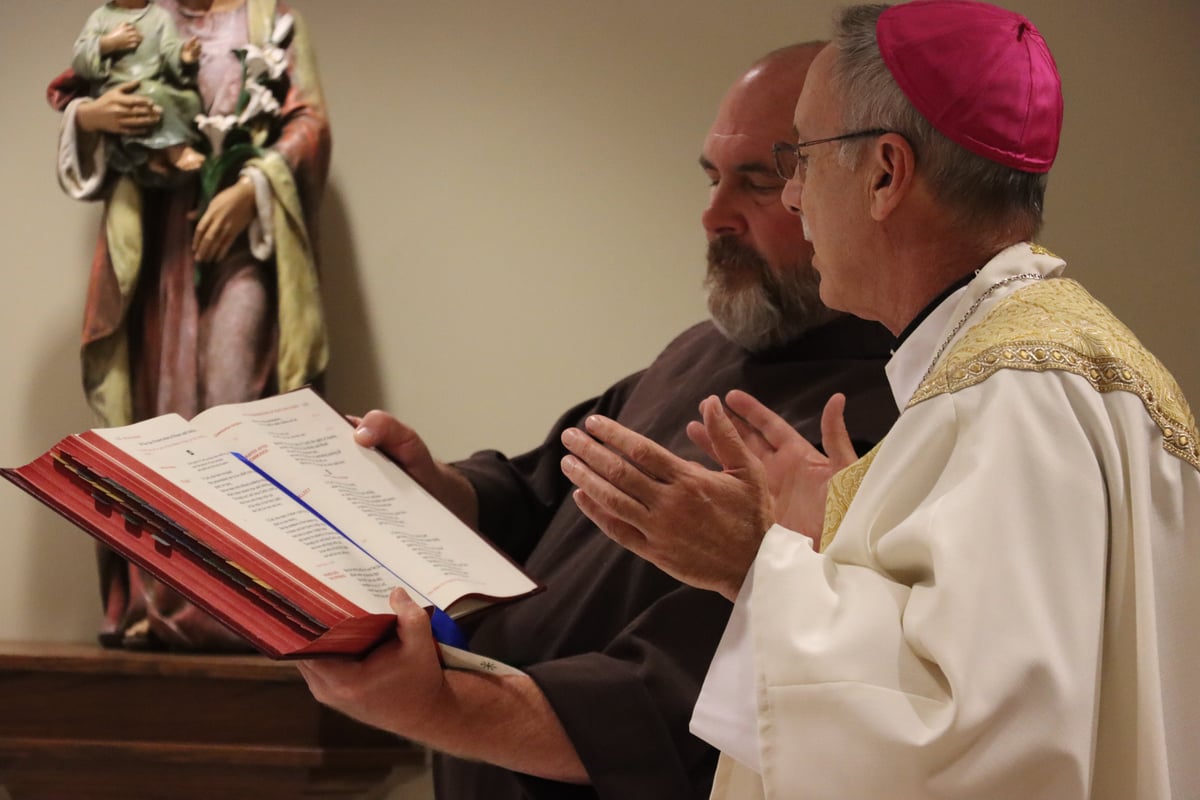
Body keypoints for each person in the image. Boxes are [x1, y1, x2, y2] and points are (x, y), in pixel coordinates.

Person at [559, 2, 1199, 799]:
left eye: (801, 159)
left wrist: (755, 564)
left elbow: (977, 742)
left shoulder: (1014, 397)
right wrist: (838, 534)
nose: (795, 197)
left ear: (885, 173)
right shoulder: (1040, 367)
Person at [296, 43, 899, 800]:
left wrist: (431, 705)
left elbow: (671, 701)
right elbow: (551, 485)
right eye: (712, 178)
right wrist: (437, 486)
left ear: (856, 186)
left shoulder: (875, 424)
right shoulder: (708, 347)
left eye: (756, 181)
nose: (714, 216)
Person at [49, 0, 331, 651]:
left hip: (242, 243)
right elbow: (90, 87)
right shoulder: (137, 14)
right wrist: (86, 117)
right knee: (160, 421)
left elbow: (309, 122)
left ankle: (243, 604)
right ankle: (163, 603)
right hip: (156, 254)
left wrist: (251, 187)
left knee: (238, 410)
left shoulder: (267, 16)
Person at [71, 0, 206, 179]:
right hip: (121, 85)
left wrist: (183, 56)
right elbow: (80, 55)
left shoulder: (160, 16)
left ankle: (156, 154)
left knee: (191, 101)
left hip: (156, 81)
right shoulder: (101, 17)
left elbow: (169, 49)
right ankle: (175, 148)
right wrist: (108, 43)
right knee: (150, 95)